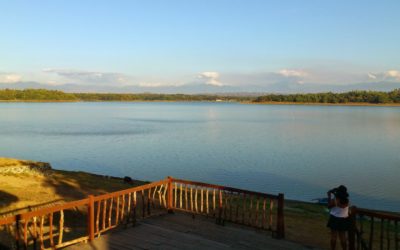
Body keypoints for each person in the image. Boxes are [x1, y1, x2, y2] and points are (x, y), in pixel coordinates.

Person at [327, 185, 350, 250]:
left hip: (334, 218)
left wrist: (329, 196)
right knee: (343, 236)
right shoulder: (347, 201)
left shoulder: (335, 200)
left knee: (333, 236)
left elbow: (328, 206)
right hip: (344, 219)